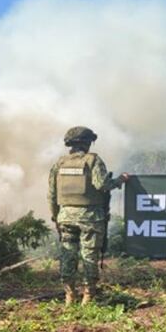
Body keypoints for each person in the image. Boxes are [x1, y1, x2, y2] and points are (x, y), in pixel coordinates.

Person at [48, 126, 129, 305]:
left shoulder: (59, 163)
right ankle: (88, 296)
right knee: (89, 255)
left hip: (65, 216)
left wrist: (56, 217)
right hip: (90, 217)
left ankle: (69, 295)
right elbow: (102, 185)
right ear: (87, 143)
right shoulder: (93, 160)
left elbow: (52, 195)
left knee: (68, 255)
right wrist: (120, 180)